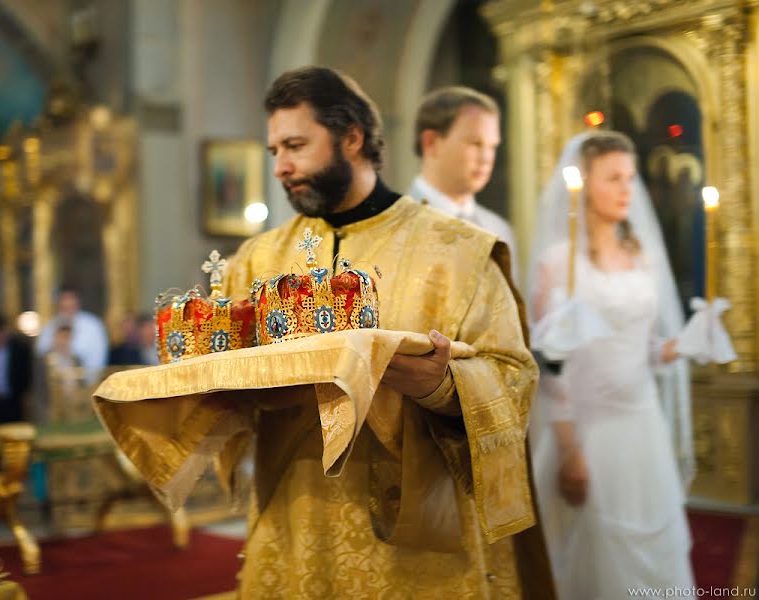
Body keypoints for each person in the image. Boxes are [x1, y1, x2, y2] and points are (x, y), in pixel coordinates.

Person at [196, 67, 550, 596]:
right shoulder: (259, 258)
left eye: (295, 145)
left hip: (418, 536)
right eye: (274, 151)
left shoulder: (457, 251)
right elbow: (225, 383)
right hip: (299, 520)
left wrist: (441, 386)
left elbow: (514, 380)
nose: (281, 166)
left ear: (352, 138)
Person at [527, 130, 694, 598]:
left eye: (631, 178)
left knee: (658, 555)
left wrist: (678, 346)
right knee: (597, 557)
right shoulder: (557, 264)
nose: (628, 190)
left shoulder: (641, 256)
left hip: (642, 426)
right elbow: (550, 368)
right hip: (589, 433)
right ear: (584, 184)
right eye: (614, 178)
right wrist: (569, 449)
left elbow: (644, 347)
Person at [407, 86, 517, 272]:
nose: (487, 158)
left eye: (492, 146)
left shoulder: (499, 230)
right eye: (476, 143)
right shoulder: (398, 224)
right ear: (431, 142)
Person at [35, 287, 108, 382]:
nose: (68, 310)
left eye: (71, 305)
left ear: (77, 303)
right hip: (55, 382)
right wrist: (55, 345)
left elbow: (97, 356)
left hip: (84, 380)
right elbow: (40, 350)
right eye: (64, 307)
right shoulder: (50, 325)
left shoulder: (93, 325)